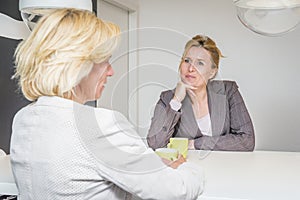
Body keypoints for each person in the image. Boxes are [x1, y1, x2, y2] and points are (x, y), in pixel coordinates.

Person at [10, 9, 204, 200]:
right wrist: (187, 168)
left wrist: (150, 166)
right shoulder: (100, 125)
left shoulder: (23, 119)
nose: (111, 71)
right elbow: (175, 190)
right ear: (77, 65)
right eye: (105, 61)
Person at [147, 35, 255, 151]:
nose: (191, 68)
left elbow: (247, 141)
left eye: (200, 63)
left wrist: (195, 144)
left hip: (225, 165)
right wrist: (176, 101)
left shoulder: (228, 91)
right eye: (187, 61)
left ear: (212, 72)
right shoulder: (167, 98)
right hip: (186, 166)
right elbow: (155, 144)